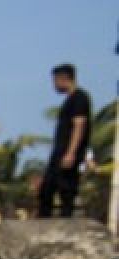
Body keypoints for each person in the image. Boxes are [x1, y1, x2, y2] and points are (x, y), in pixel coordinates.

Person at [38, 64, 91, 218]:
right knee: (46, 190)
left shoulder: (80, 98)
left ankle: (65, 224)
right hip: (59, 152)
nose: (54, 85)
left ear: (63, 79)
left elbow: (79, 125)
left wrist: (71, 153)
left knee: (66, 191)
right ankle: (44, 224)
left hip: (67, 153)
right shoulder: (70, 99)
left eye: (55, 81)